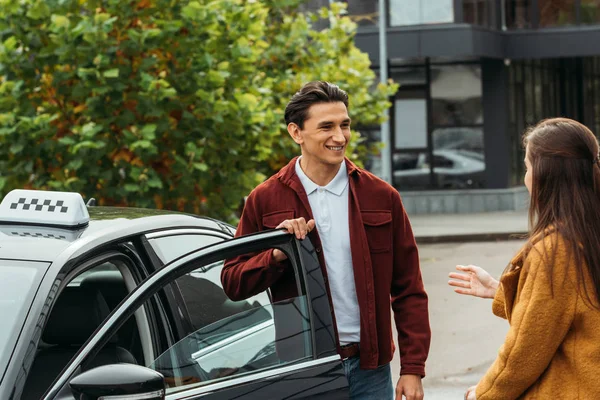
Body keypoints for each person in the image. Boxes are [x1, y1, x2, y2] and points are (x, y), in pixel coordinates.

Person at [221, 81, 430, 400]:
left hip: (370, 371)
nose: (340, 136)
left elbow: (409, 289)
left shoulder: (381, 196)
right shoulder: (265, 200)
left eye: (344, 125)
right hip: (304, 372)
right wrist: (277, 254)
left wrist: (412, 368)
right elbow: (234, 282)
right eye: (327, 127)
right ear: (296, 133)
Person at [448, 117, 600, 400]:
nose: (526, 177)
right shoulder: (589, 232)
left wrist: (483, 393)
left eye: (528, 167)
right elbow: (574, 311)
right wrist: (498, 289)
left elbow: (525, 350)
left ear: (546, 173)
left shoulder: (556, 249)